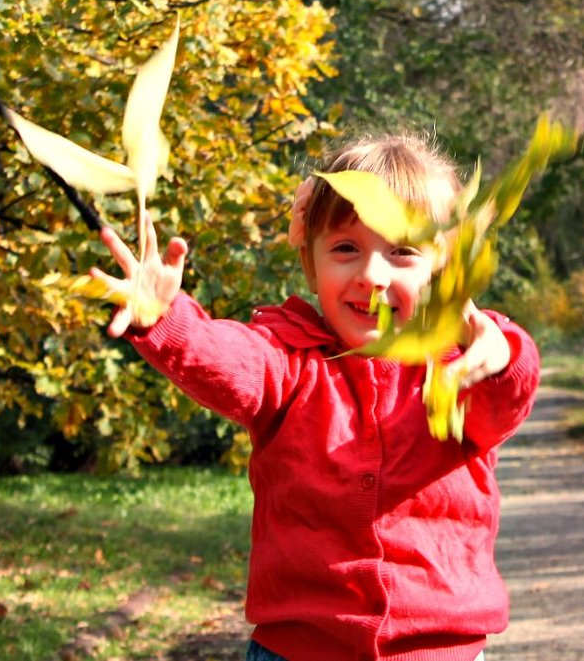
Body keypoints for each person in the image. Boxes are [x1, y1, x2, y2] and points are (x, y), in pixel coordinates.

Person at [92, 132, 541, 661]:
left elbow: (508, 392)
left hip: (439, 653)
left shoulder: (459, 365)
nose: (371, 275)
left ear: (441, 266)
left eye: (401, 252)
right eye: (346, 248)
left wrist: (502, 356)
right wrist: (168, 319)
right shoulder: (290, 358)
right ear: (311, 261)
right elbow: (230, 362)